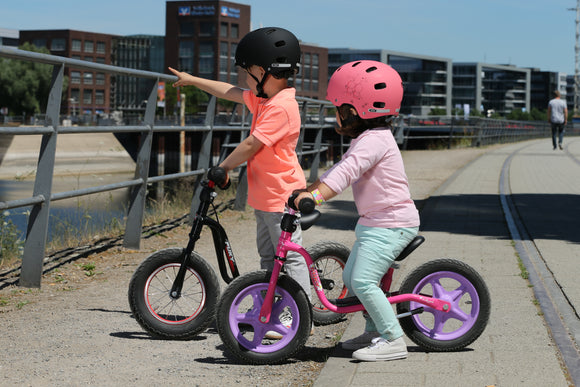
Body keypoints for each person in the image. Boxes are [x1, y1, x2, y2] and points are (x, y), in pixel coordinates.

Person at [169, 27, 310, 338]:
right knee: (267, 257)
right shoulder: (263, 99)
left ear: (262, 71)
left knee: (291, 259)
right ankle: (267, 306)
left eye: (247, 73)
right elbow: (227, 91)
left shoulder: (282, 107)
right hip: (265, 197)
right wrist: (193, 80)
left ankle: (300, 314)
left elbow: (251, 145)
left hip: (282, 197)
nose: (245, 80)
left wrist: (222, 167)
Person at [294, 60, 420, 362]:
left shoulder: (374, 142)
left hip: (392, 224)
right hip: (376, 224)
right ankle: (374, 330)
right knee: (354, 278)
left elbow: (345, 174)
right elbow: (338, 170)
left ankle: (393, 339)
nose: (335, 115)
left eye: (338, 108)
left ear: (355, 110)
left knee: (362, 280)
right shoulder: (369, 139)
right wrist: (306, 192)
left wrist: (315, 199)